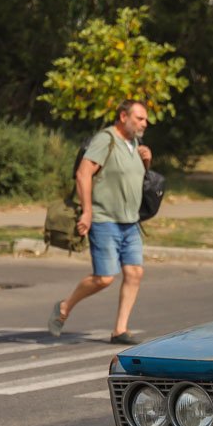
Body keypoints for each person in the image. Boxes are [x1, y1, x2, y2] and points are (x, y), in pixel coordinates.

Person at [48, 99, 152, 345]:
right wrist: (87, 212)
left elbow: (134, 177)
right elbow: (83, 173)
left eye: (145, 119)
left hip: (130, 221)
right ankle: (64, 307)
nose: (144, 123)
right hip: (105, 219)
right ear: (123, 117)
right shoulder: (105, 140)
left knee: (135, 272)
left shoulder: (133, 143)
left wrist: (147, 161)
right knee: (104, 277)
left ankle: (120, 330)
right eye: (139, 118)